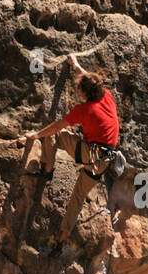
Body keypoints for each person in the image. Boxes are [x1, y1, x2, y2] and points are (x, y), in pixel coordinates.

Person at [21, 55, 123, 239]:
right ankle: (63, 235)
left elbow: (57, 126)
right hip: (104, 162)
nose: (78, 90)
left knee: (55, 134)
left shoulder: (84, 110)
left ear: (84, 93)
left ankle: (47, 168)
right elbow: (89, 80)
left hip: (92, 154)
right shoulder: (106, 96)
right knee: (78, 196)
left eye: (79, 89)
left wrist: (36, 135)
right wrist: (76, 65)